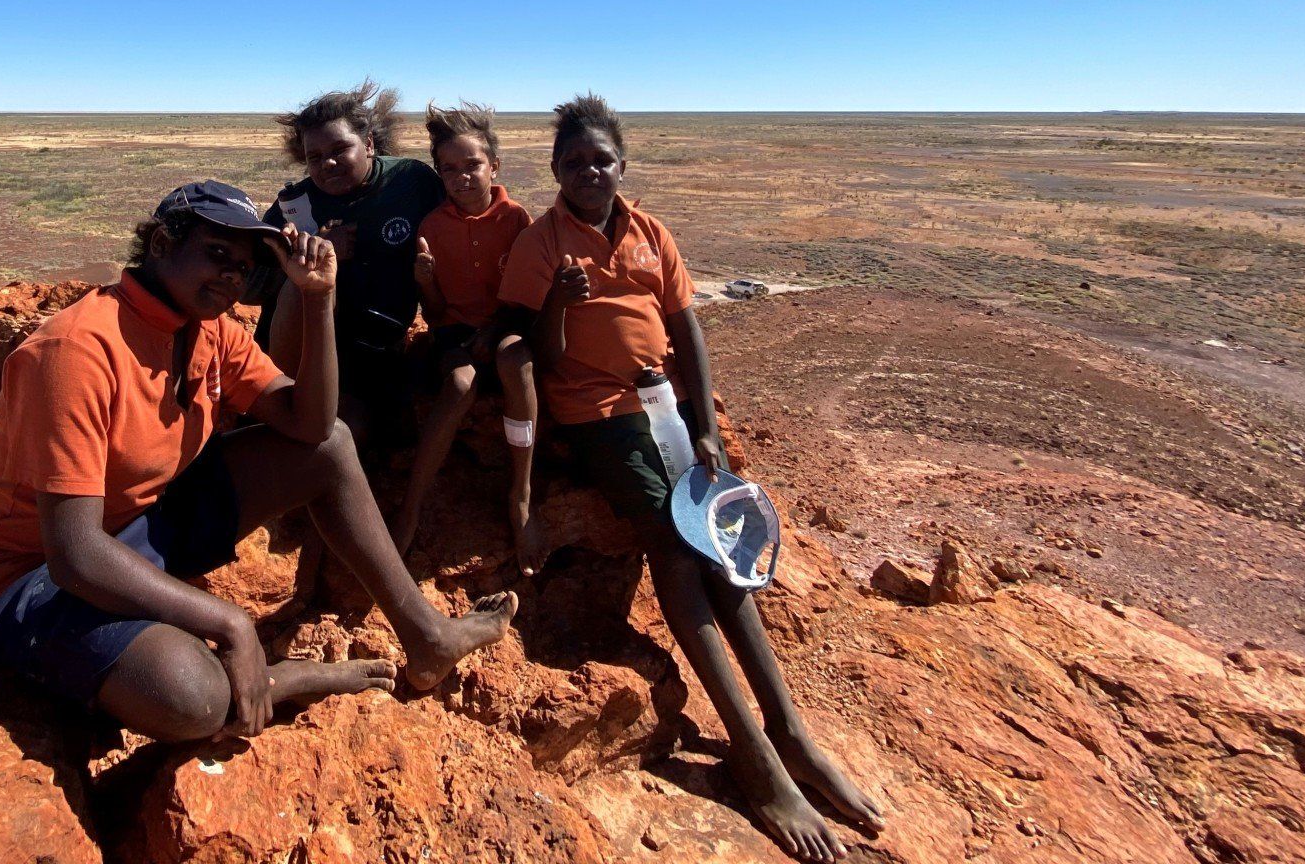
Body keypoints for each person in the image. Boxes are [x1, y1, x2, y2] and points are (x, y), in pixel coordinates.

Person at [0, 179, 517, 742]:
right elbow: (72, 554)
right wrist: (232, 622)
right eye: (217, 254)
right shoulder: (76, 353)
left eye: (242, 267)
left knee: (332, 447)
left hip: (140, 524)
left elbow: (312, 425)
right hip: (31, 574)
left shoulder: (209, 327)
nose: (231, 276)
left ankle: (427, 639)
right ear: (162, 245)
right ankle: (283, 678)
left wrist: (318, 298)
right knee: (193, 699)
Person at [498, 98, 884, 863]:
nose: (588, 171)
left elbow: (687, 328)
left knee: (723, 545)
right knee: (675, 547)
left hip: (667, 407)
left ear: (622, 165)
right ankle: (753, 752)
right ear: (555, 172)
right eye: (573, 162)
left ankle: (789, 731)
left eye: (600, 159)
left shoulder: (650, 233)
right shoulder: (543, 244)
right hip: (597, 412)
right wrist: (557, 307)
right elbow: (518, 343)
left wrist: (703, 421)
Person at [392, 102, 545, 575]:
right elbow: (436, 317)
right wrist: (427, 282)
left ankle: (520, 494)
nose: (462, 177)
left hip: (505, 328)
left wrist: (496, 330)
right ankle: (411, 506)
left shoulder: (517, 220)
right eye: (449, 169)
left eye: (473, 165)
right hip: (455, 334)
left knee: (513, 358)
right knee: (459, 385)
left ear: (494, 166)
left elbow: (525, 301)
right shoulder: (432, 227)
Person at [254, 81, 444, 446]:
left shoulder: (411, 183)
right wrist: (304, 257)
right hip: (304, 347)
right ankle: (288, 401)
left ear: (369, 143)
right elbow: (250, 284)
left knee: (362, 428)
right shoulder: (296, 204)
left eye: (340, 149)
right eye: (314, 157)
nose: (327, 164)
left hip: (375, 344)